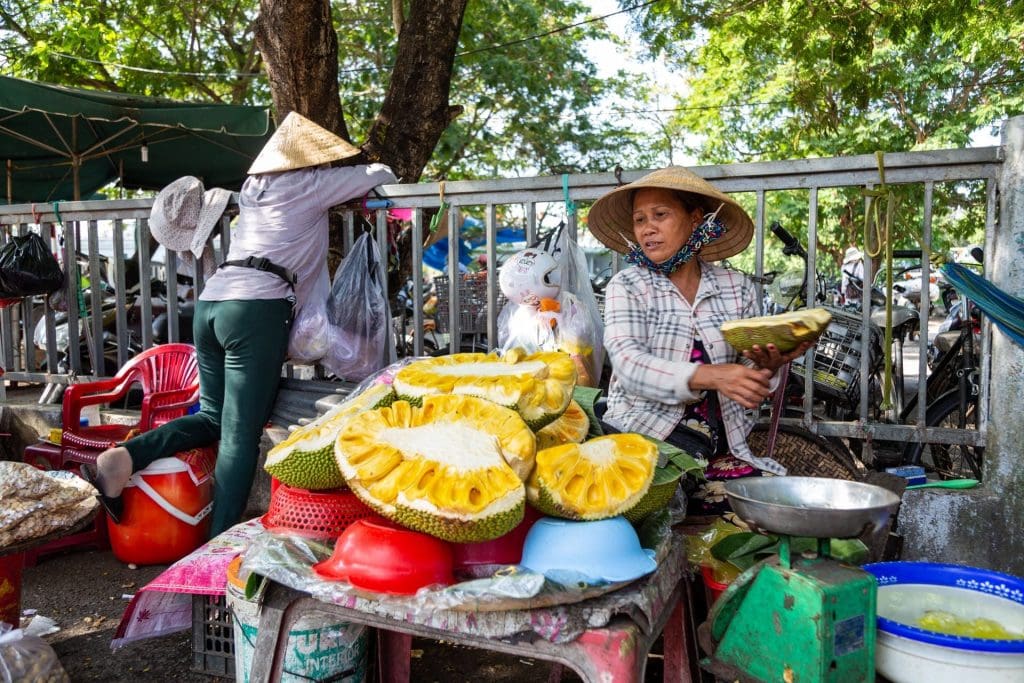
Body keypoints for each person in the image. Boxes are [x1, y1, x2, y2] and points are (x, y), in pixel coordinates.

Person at [84, 112, 397, 537]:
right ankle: (220, 541)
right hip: (255, 310)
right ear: (308, 161)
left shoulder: (253, 188)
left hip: (213, 302)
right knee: (239, 436)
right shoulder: (309, 186)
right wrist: (356, 176)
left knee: (213, 417)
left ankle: (123, 458)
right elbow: (381, 172)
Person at [586, 166, 812, 475]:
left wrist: (769, 364)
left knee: (771, 497)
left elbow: (747, 382)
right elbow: (629, 366)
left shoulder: (737, 287)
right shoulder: (628, 286)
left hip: (725, 443)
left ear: (695, 219)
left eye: (660, 215)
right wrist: (714, 376)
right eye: (640, 220)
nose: (647, 229)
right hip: (644, 440)